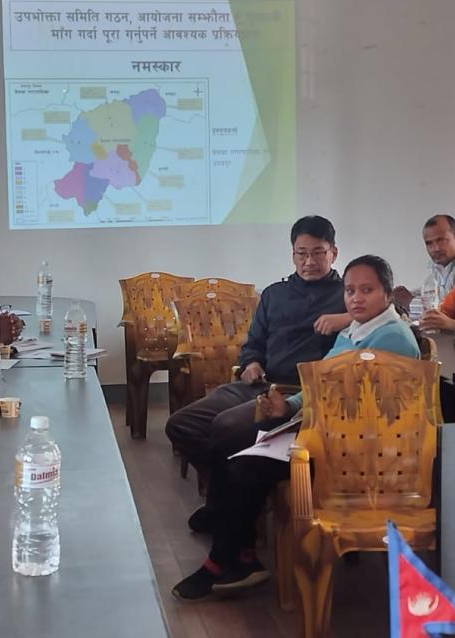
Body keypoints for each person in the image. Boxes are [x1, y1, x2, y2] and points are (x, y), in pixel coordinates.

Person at [173, 254, 422, 601]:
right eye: (350, 291)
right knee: (241, 457)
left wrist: (299, 422)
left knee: (244, 462)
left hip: (360, 455)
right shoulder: (356, 330)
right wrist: (288, 407)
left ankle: (225, 560)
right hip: (331, 434)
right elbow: (323, 383)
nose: (355, 299)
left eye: (367, 290)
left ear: (388, 294)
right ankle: (236, 557)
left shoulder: (390, 338)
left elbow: (356, 405)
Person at [165, 216, 347, 531]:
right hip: (260, 383)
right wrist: (251, 362)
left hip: (300, 396)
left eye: (318, 253)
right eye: (301, 253)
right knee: (181, 425)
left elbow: (388, 314)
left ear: (334, 253)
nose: (309, 261)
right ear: (292, 254)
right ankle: (232, 500)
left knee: (226, 427)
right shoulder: (275, 294)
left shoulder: (348, 294)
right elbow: (253, 343)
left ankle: (228, 510)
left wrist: (345, 318)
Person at [394, 214, 455, 313]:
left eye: (441, 240)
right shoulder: (438, 266)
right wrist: (403, 295)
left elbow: (452, 308)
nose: (435, 249)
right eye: (429, 243)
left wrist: (410, 302)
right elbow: (430, 293)